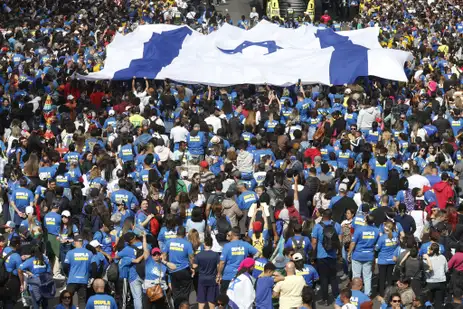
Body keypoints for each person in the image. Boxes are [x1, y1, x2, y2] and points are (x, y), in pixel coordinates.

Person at [311, 209, 342, 305]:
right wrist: (339, 253)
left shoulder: (317, 226)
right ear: (331, 216)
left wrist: (313, 254)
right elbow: (339, 241)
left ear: (323, 216)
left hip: (321, 255)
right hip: (332, 255)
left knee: (323, 278)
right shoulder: (336, 225)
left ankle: (325, 299)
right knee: (333, 277)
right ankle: (337, 297)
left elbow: (314, 242)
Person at [217, 227, 259, 293]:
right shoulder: (245, 244)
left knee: (225, 297)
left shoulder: (227, 246)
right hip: (241, 275)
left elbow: (222, 262)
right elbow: (257, 253)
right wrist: (250, 261)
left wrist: (219, 274)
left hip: (228, 276)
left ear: (232, 235)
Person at [163, 226, 194, 308]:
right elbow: (191, 258)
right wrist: (192, 267)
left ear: (176, 233)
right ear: (185, 234)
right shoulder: (187, 244)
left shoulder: (169, 242)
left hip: (173, 271)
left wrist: (166, 264)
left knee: (176, 292)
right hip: (184, 270)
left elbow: (164, 255)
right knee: (185, 292)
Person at [348, 214, 379, 296]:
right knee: (367, 276)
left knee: (356, 275)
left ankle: (355, 293)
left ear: (365, 220)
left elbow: (353, 243)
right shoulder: (377, 230)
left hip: (357, 255)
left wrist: (349, 253)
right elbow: (377, 243)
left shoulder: (359, 229)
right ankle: (367, 294)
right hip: (369, 255)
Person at [63, 235, 94, 309]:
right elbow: (93, 266)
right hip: (83, 280)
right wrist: (90, 276)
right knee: (82, 301)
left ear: (74, 242)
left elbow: (65, 266)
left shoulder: (70, 253)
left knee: (67, 300)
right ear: (82, 242)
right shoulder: (89, 253)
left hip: (72, 280)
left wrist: (67, 274)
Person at [193, 236, 220, 309]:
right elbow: (218, 267)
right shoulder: (216, 255)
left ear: (204, 243)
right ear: (211, 244)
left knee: (201, 300)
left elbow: (194, 266)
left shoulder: (199, 255)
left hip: (202, 279)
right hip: (212, 279)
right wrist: (218, 275)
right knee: (211, 300)